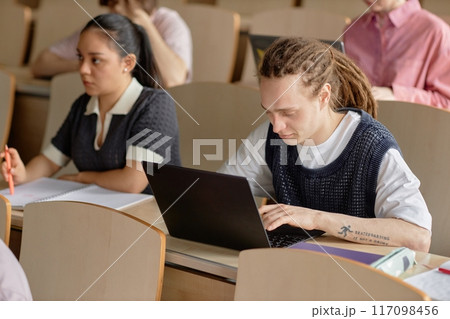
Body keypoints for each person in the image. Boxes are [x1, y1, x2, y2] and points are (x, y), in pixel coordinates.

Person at [218, 37, 432, 252]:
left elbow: (418, 238)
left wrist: (318, 219)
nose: (277, 126)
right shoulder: (271, 136)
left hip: (356, 273)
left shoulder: (373, 145)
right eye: (268, 111)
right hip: (292, 268)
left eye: (288, 113)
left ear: (323, 96)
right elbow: (220, 194)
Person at [1, 13, 181, 194]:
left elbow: (132, 182)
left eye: (95, 60)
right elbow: (49, 160)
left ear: (127, 62)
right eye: (80, 57)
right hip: (99, 214)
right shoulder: (83, 105)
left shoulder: (155, 105)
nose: (83, 69)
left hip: (149, 217)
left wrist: (81, 178)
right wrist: (23, 175)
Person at [31, 0, 192, 87]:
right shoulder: (104, 26)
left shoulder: (170, 23)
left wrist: (145, 24)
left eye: (127, 3)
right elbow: (41, 65)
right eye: (113, 3)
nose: (118, 9)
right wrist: (90, 63)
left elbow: (175, 81)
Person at [343, 0, 450, 109]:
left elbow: (447, 101)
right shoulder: (352, 29)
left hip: (409, 123)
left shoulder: (436, 32)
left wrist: (396, 95)